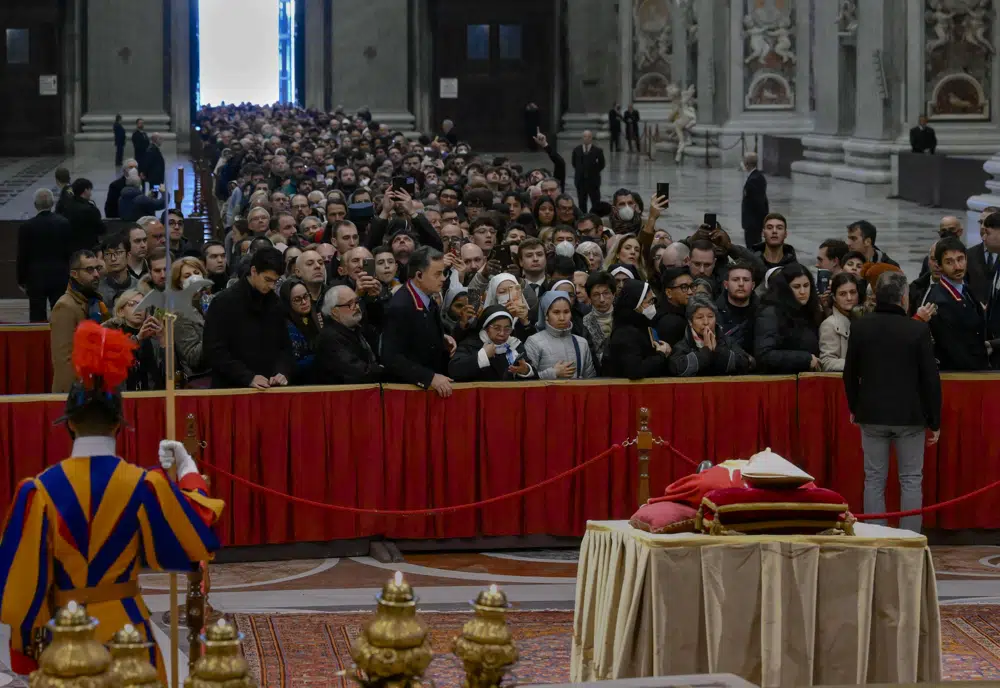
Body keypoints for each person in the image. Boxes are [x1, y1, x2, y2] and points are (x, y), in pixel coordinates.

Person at [0, 320, 223, 679]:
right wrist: (188, 470)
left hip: (66, 639)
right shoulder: (145, 485)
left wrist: (25, 651)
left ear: (69, 424)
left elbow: (23, 588)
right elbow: (195, 539)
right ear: (120, 425)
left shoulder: (37, 492)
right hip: (129, 637)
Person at [844, 270, 941, 532]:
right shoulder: (917, 329)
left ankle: (877, 536)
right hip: (910, 417)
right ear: (903, 298)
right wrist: (935, 420)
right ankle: (909, 539)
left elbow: (850, 373)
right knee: (910, 479)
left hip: (871, 414)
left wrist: (854, 407)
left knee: (874, 479)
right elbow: (930, 379)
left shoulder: (861, 326)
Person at [203, 246, 294, 388]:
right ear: (253, 271)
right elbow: (214, 350)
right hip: (231, 388)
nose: (271, 286)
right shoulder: (224, 302)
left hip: (269, 386)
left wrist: (282, 371)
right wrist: (247, 377)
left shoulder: (275, 303)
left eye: (275, 281)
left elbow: (284, 346)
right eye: (267, 279)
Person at [381, 246, 456, 396]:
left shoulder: (427, 297)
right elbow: (391, 358)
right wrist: (430, 378)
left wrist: (440, 337)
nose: (443, 278)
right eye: (438, 274)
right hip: (406, 393)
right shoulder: (400, 306)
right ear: (419, 275)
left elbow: (417, 332)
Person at [926, 236, 989, 370]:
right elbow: (954, 350)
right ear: (939, 265)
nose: (958, 267)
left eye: (960, 259)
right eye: (949, 262)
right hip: (962, 376)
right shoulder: (940, 301)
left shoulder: (965, 289)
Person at [50, 250, 108, 392]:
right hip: (76, 393)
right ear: (74, 274)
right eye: (89, 270)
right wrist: (76, 396)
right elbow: (65, 361)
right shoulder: (65, 306)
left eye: (97, 269)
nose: (96, 274)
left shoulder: (95, 302)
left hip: (96, 386)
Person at [753, 262, 823, 373]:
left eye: (806, 285)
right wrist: (805, 359)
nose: (803, 292)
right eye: (796, 287)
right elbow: (764, 355)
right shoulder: (770, 312)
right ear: (785, 288)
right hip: (779, 382)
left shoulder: (810, 310)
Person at [17, 188, 72, 322]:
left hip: (35, 277)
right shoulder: (64, 223)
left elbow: (22, 255)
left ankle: (37, 341)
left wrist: (21, 279)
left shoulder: (26, 226)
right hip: (60, 275)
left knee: (36, 315)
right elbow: (69, 252)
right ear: (52, 203)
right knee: (60, 313)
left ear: (36, 205)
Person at [669, 294, 752, 377]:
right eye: (700, 317)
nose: (706, 322)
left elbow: (748, 363)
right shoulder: (683, 346)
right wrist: (706, 352)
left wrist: (718, 351)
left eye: (710, 316)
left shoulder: (727, 341)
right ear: (690, 321)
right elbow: (676, 369)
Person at [449, 306, 535, 382]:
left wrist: (526, 370)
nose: (502, 333)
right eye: (496, 328)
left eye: (507, 329)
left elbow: (534, 376)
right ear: (486, 328)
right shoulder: (470, 344)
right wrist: (482, 355)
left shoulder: (514, 344)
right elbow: (454, 371)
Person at [606, 279, 671, 379]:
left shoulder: (643, 325)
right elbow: (635, 370)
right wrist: (661, 355)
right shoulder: (625, 333)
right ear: (635, 305)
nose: (652, 306)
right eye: (649, 302)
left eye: (653, 301)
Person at [103, 289, 165, 391]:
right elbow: (115, 361)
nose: (138, 309)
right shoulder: (110, 333)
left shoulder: (154, 335)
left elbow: (167, 372)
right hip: (123, 396)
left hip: (152, 396)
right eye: (132, 304)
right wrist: (138, 338)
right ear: (121, 311)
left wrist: (163, 340)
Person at [278, 278, 321, 384]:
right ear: (288, 303)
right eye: (297, 299)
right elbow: (293, 364)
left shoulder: (317, 318)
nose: (304, 302)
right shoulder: (286, 327)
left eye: (306, 296)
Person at [819, 272, 860, 372]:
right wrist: (859, 364)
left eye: (853, 292)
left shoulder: (863, 319)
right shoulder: (829, 324)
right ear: (834, 298)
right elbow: (827, 362)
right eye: (843, 294)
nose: (849, 298)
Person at [715, 261, 757, 353]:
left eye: (746, 280)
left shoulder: (762, 313)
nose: (741, 284)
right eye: (735, 279)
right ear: (726, 285)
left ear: (753, 285)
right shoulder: (713, 313)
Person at [582, 271, 616, 372]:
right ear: (589, 297)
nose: (602, 299)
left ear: (613, 294)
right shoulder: (584, 323)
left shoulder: (623, 318)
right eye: (596, 295)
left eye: (606, 293)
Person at [61, 178, 105, 253]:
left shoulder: (66, 207)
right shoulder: (90, 209)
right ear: (85, 190)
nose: (91, 193)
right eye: (90, 190)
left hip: (71, 248)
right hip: (89, 248)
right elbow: (101, 229)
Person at [97, 232, 138, 309]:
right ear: (103, 258)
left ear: (128, 255)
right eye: (108, 254)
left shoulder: (139, 287)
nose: (113, 258)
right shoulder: (97, 290)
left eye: (118, 252)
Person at [655, 266, 695, 346]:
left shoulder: (684, 311)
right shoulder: (671, 323)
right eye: (684, 287)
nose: (690, 292)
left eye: (692, 286)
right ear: (669, 293)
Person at [571, 130, 605, 214]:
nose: (586, 138)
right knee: (582, 203)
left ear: (591, 138)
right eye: (585, 136)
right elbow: (574, 163)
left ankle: (595, 218)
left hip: (593, 182)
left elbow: (602, 164)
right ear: (582, 138)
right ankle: (583, 218)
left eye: (589, 137)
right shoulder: (576, 150)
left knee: (595, 202)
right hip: (580, 181)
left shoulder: (598, 151)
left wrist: (594, 172)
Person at [741, 152, 769, 247]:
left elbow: (758, 203)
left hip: (752, 223)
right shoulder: (758, 177)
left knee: (752, 247)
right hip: (754, 223)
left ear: (746, 163)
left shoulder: (754, 180)